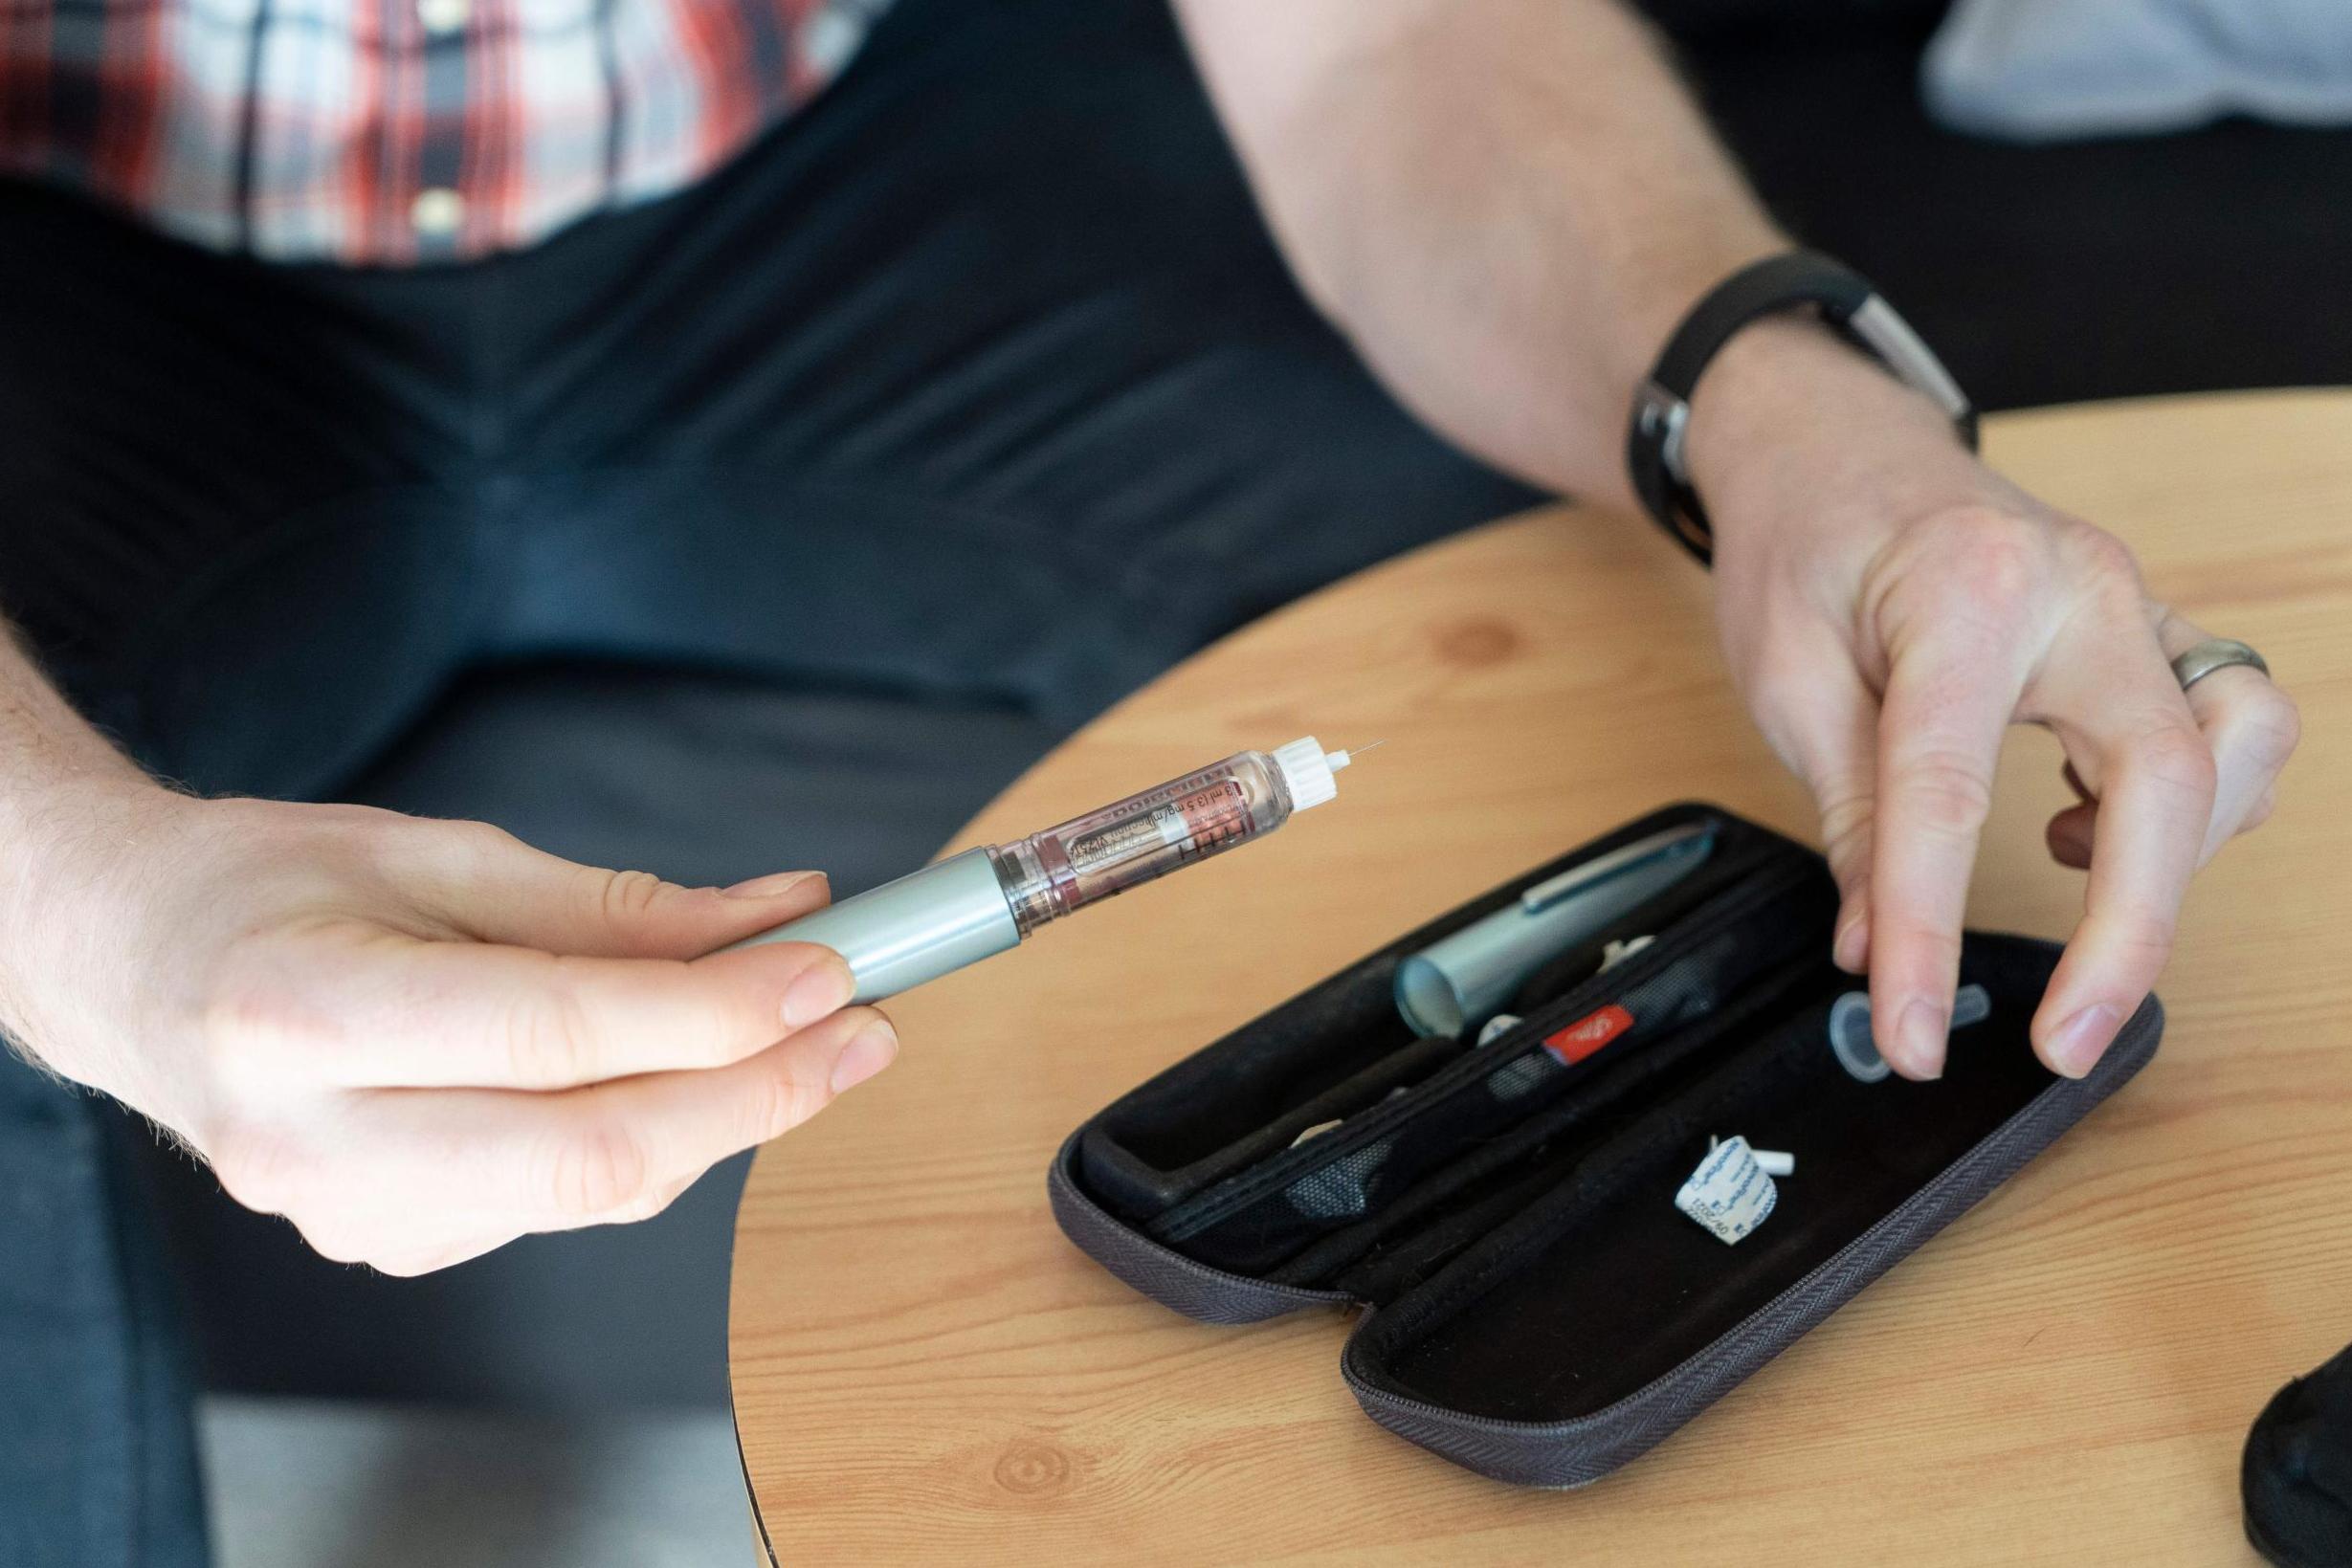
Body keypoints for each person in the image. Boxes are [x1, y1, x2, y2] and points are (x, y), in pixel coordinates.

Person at [0, 0, 2299, 1560]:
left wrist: (1784, 410)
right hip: (70, 230)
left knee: (1546, 659)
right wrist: (98, 921)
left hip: (820, 147)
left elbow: (1391, 47)